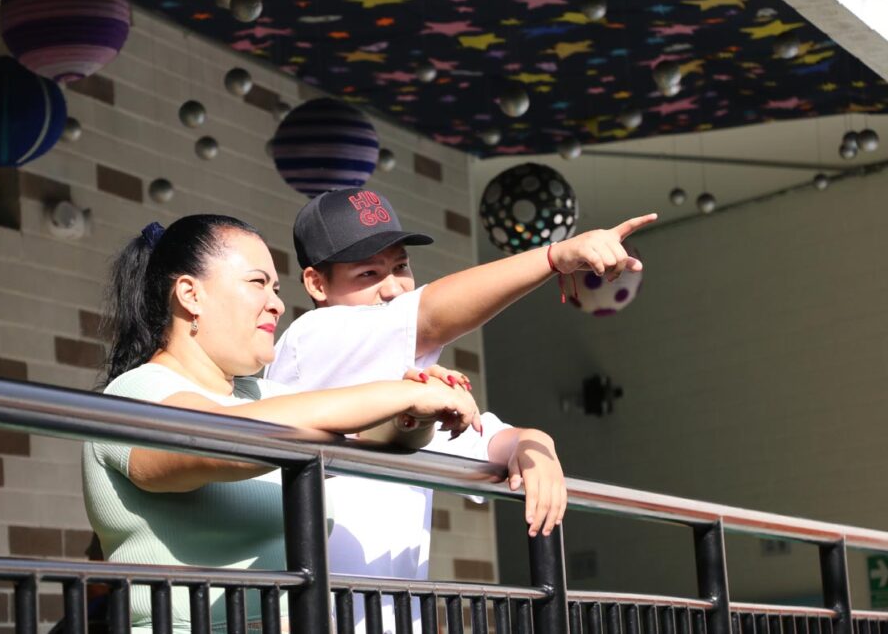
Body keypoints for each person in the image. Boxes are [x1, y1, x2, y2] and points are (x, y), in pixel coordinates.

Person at [266, 187, 656, 632]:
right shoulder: (309, 340)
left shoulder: (406, 383)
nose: (393, 288)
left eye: (400, 267)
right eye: (368, 273)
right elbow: (431, 316)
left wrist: (533, 443)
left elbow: (486, 442)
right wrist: (554, 257)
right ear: (317, 284)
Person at [82, 215, 483, 634]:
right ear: (190, 294)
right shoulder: (136, 392)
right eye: (257, 283)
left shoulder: (264, 398)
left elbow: (364, 439)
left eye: (275, 288)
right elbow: (223, 441)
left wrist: (415, 414)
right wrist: (401, 394)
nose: (276, 303)